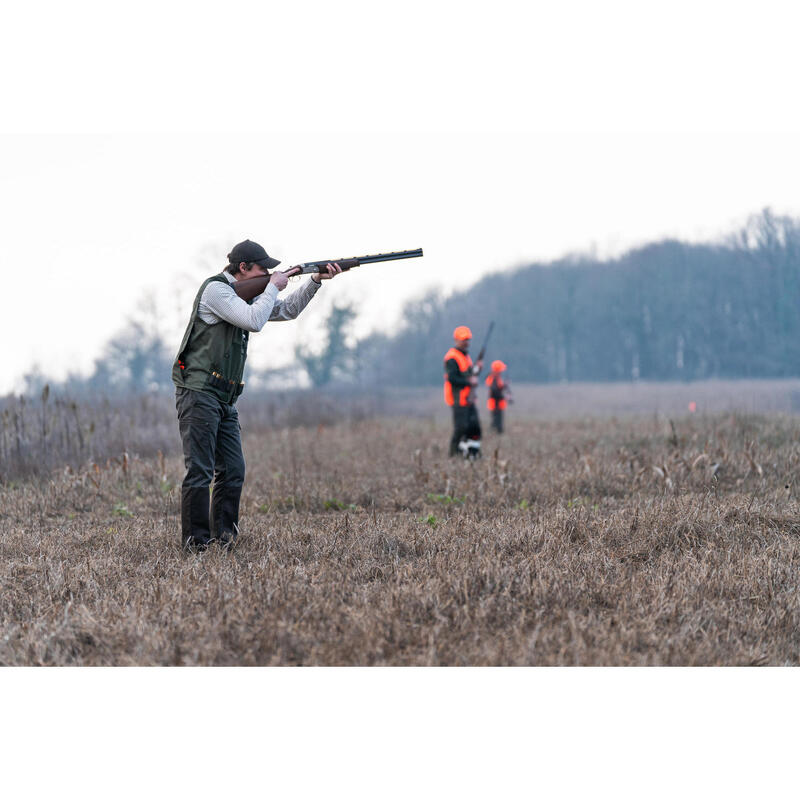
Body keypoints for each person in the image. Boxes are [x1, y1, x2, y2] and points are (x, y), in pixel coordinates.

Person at [172, 239, 342, 552]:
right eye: (263, 268)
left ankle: (224, 541)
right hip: (199, 392)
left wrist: (314, 281)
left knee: (233, 470)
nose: (269, 272)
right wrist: (273, 287)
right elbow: (254, 321)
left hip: (224, 397)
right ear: (243, 268)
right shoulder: (216, 291)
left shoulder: (247, 297)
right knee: (200, 471)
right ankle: (195, 545)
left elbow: (287, 311)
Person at [443, 326, 482, 458]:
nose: (466, 342)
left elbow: (470, 374)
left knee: (475, 428)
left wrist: (478, 369)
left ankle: (473, 454)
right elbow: (452, 378)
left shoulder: (465, 356)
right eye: (463, 339)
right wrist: (469, 382)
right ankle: (453, 455)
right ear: (456, 340)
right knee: (460, 429)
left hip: (469, 399)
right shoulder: (452, 358)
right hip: (458, 400)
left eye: (467, 339)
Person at [485, 360, 512, 433]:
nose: (502, 371)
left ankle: (495, 433)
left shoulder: (496, 377)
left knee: (497, 421)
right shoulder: (493, 378)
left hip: (497, 403)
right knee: (496, 422)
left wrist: (504, 385)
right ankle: (494, 434)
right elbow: (495, 392)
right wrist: (504, 397)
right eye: (501, 370)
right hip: (495, 403)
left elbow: (498, 388)